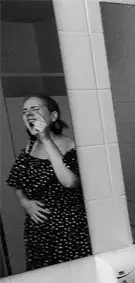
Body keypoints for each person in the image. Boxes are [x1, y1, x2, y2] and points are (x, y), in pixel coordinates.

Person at [6, 94, 92, 271]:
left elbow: (70, 182)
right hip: (39, 234)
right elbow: (17, 182)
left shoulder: (73, 146)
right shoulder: (30, 147)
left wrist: (46, 139)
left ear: (53, 116)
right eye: (24, 111)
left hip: (70, 231)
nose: (29, 114)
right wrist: (25, 202)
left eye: (35, 109)